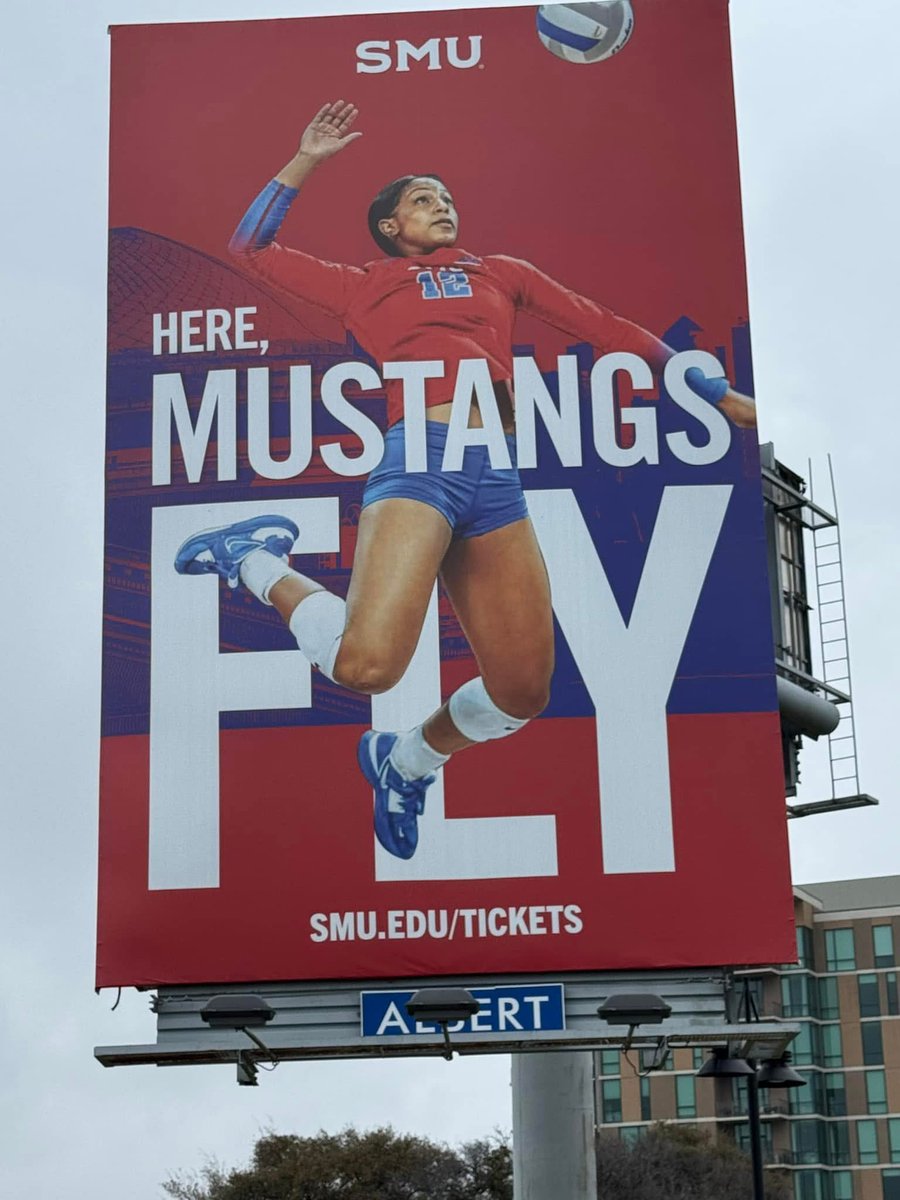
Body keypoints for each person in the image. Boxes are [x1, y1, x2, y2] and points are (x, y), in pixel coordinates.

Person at [174, 100, 756, 860]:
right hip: (421, 453)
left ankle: (407, 759)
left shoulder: (501, 273)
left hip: (495, 474)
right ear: (391, 227)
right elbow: (250, 247)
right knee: (365, 665)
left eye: (446, 197)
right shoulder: (364, 285)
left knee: (522, 692)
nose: (441, 206)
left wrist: (711, 390)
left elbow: (606, 327)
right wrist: (307, 158)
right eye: (423, 199)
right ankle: (251, 558)